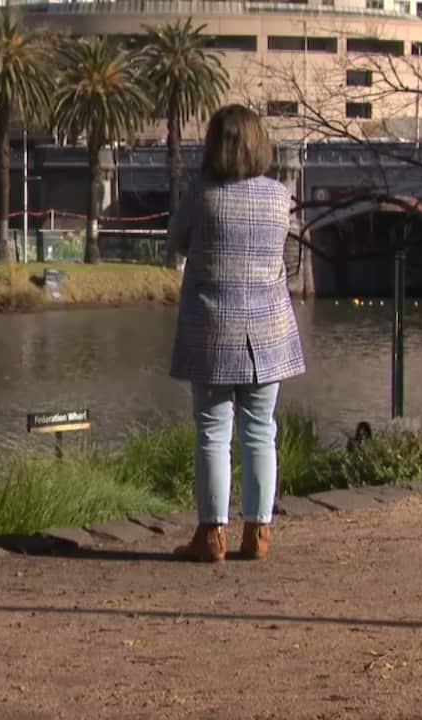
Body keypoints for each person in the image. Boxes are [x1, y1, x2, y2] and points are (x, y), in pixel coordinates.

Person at [167, 104, 306, 562]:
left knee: (212, 431)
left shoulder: (202, 194)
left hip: (212, 329)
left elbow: (178, 241)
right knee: (261, 432)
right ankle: (258, 533)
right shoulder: (279, 196)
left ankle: (211, 535)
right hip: (268, 328)